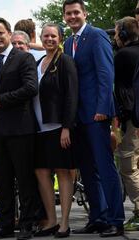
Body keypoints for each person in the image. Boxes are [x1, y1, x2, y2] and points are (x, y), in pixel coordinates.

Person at [62, 0, 125, 237]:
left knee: (105, 168)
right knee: (87, 170)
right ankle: (97, 217)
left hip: (96, 114)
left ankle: (116, 220)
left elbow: (105, 74)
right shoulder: (68, 42)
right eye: (68, 13)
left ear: (84, 13)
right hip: (77, 117)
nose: (72, 16)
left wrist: (103, 109)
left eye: (76, 12)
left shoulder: (97, 35)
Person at [0, 17, 40, 240]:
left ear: (9, 34)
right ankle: (4, 225)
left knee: (24, 180)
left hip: (21, 129)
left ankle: (27, 225)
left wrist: (1, 100)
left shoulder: (24, 58)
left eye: (0, 33)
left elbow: (31, 88)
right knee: (2, 182)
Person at [33, 23, 78, 238]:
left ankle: (64, 223)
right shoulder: (37, 62)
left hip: (58, 127)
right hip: (38, 129)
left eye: (53, 36)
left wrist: (67, 127)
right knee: (41, 172)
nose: (49, 39)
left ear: (60, 38)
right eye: (46, 36)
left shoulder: (66, 61)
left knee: (62, 172)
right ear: (40, 38)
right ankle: (50, 220)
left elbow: (71, 95)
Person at [113, 16, 139, 231]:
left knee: (128, 166)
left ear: (122, 34)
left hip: (133, 119)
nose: (114, 36)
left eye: (115, 32)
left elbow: (121, 91)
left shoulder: (123, 55)